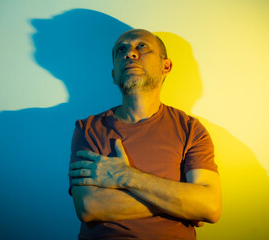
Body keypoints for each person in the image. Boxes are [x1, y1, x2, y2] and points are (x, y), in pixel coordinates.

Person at [68, 29, 222, 240]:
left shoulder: (191, 130)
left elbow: (210, 206)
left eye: (141, 46)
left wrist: (125, 176)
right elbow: (88, 206)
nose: (129, 53)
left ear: (165, 66)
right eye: (121, 49)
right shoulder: (88, 129)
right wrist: (182, 203)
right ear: (114, 75)